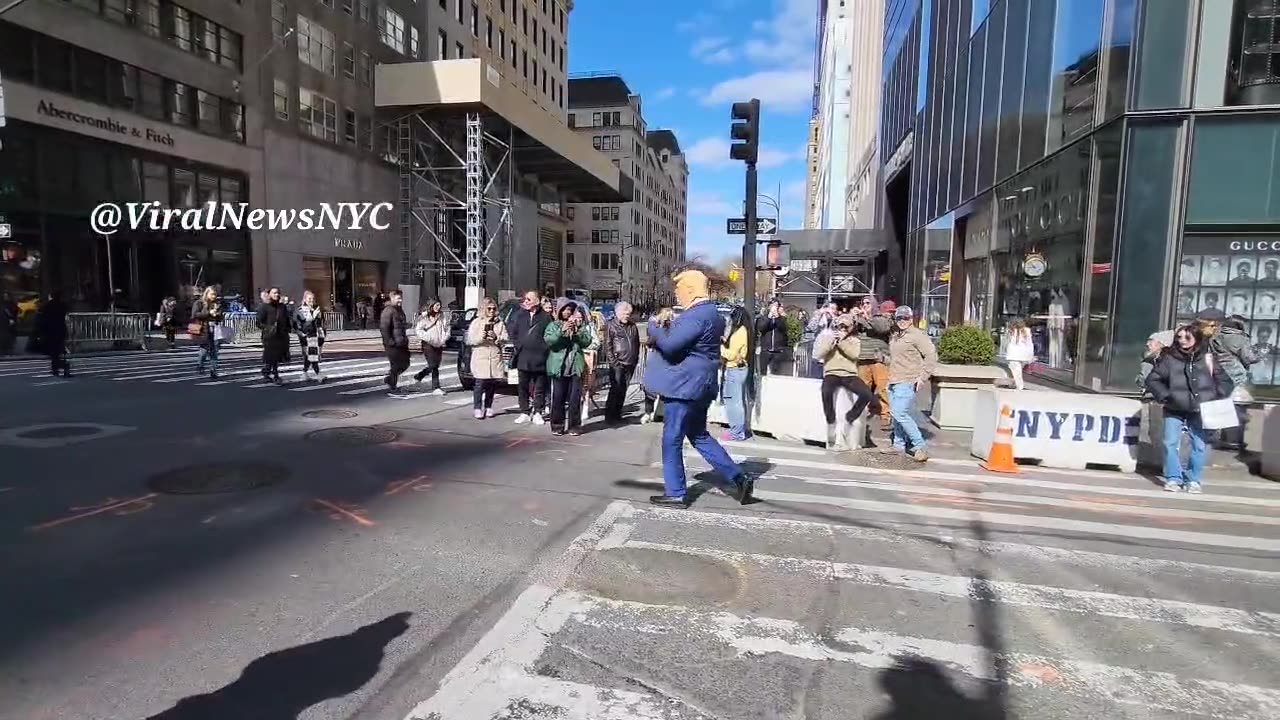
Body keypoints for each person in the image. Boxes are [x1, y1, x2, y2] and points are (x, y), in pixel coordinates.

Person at [644, 262, 753, 508]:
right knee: (699, 435)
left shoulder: (697, 314)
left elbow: (671, 346)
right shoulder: (711, 313)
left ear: (691, 289)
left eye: (679, 289)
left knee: (671, 438)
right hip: (702, 385)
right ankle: (738, 477)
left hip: (684, 386)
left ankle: (676, 492)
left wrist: (654, 326)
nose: (676, 294)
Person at [1145, 324, 1233, 494]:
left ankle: (1193, 479)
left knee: (1199, 445)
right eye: (1179, 337)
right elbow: (1152, 380)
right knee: (1170, 443)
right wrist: (1166, 395)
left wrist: (1215, 397)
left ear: (1197, 338)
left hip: (1201, 409)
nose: (1182, 341)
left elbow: (1225, 381)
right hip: (1174, 407)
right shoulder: (1169, 358)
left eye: (1187, 337)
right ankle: (1173, 478)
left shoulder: (1208, 358)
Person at [814, 314, 882, 451]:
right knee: (826, 391)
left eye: (846, 327)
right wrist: (830, 343)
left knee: (866, 394)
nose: (842, 329)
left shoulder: (854, 340)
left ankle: (850, 417)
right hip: (832, 372)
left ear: (851, 328)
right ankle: (831, 420)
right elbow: (818, 354)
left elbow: (854, 355)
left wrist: (841, 342)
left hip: (849, 374)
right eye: (840, 326)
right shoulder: (828, 337)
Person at [1197, 309, 1258, 451]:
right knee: (1238, 407)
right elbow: (1249, 357)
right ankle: (1233, 440)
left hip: (1217, 372)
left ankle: (1219, 437)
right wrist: (1258, 356)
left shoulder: (1214, 336)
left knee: (1221, 403)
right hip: (1235, 374)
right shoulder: (1241, 338)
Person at [886, 306, 937, 461]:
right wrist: (883, 359)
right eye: (899, 318)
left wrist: (923, 377)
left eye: (906, 318)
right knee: (897, 415)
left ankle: (920, 446)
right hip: (894, 380)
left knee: (899, 413)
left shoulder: (917, 336)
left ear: (911, 318)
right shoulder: (896, 336)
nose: (902, 321)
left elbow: (931, 356)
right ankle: (898, 445)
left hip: (907, 380)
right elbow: (897, 359)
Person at [545, 299, 595, 436]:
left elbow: (587, 341)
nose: (567, 312)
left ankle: (574, 426)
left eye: (570, 310)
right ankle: (557, 425)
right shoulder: (553, 325)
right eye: (565, 309)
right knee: (558, 398)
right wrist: (562, 331)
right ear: (560, 311)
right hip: (559, 367)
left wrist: (577, 331)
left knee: (574, 399)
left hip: (574, 366)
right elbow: (550, 342)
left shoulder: (579, 325)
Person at [507, 290, 552, 425]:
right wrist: (518, 344)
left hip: (540, 357)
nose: (525, 302)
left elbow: (549, 335)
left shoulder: (545, 317)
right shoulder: (520, 315)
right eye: (525, 299)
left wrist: (543, 348)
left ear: (537, 301)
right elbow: (512, 331)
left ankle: (538, 411)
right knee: (522, 386)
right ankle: (524, 411)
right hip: (523, 356)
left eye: (528, 299)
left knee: (539, 387)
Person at [854, 300, 894, 429]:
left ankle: (885, 415)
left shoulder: (883, 319)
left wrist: (868, 317)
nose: (865, 306)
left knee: (883, 389)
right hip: (863, 358)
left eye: (868, 303)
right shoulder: (859, 317)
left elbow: (882, 328)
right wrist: (852, 317)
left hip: (879, 358)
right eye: (863, 303)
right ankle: (861, 413)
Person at [467, 298, 508, 419]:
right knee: (479, 383)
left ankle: (489, 406)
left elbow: (505, 337)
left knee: (491, 383)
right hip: (481, 356)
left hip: (494, 356)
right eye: (489, 308)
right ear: (484, 309)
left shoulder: (499, 322)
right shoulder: (476, 322)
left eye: (494, 309)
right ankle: (477, 408)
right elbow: (471, 340)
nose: (491, 311)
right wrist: (482, 337)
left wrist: (496, 337)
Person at [603, 301, 641, 424]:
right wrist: (614, 362)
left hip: (630, 362)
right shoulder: (611, 325)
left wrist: (636, 358)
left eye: (629, 314)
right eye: (625, 314)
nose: (627, 316)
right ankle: (610, 416)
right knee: (615, 389)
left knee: (623, 390)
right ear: (618, 313)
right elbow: (608, 345)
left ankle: (617, 415)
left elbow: (636, 343)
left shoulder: (632, 326)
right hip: (618, 362)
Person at [719, 305, 751, 442]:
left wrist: (720, 348)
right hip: (737, 369)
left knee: (734, 401)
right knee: (734, 400)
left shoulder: (740, 332)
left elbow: (733, 354)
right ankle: (737, 430)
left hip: (735, 369)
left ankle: (737, 432)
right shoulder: (743, 331)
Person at [413, 300, 450, 394]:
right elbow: (418, 330)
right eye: (436, 305)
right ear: (431, 306)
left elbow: (447, 328)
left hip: (439, 343)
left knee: (435, 365)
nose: (438, 307)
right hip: (428, 344)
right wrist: (428, 338)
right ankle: (436, 387)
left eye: (439, 305)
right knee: (434, 366)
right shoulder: (425, 317)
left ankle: (420, 375)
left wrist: (444, 338)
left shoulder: (442, 316)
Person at [256, 287, 291, 384]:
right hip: (269, 336)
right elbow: (259, 322)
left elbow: (286, 319)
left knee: (277, 356)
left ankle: (266, 371)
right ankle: (275, 375)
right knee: (272, 356)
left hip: (281, 335)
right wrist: (268, 328)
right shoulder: (264, 307)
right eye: (274, 293)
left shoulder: (282, 307)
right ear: (269, 294)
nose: (277, 295)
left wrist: (288, 328)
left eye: (278, 293)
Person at [30, 292, 70, 377]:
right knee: (57, 351)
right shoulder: (63, 305)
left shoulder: (48, 306)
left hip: (50, 332)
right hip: (60, 330)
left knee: (53, 352)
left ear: (51, 297)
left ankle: (59, 367)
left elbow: (43, 318)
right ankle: (58, 367)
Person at [379, 289, 411, 394]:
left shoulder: (399, 310)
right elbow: (384, 328)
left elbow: (401, 326)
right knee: (396, 365)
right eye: (398, 298)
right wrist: (390, 342)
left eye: (401, 298)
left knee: (405, 363)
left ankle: (389, 379)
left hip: (401, 342)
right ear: (392, 298)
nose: (400, 300)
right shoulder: (388, 310)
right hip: (393, 344)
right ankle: (393, 385)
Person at [191, 286, 224, 379]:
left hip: (215, 330)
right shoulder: (199, 303)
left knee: (214, 351)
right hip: (203, 330)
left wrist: (218, 315)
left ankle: (213, 370)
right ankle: (200, 365)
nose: (214, 296)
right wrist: (209, 313)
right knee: (204, 350)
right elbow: (194, 315)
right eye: (212, 294)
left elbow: (221, 316)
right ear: (207, 293)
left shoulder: (217, 304)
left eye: (215, 294)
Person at [293, 290, 327, 383]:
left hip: (317, 335)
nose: (311, 300)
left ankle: (304, 373)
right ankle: (318, 374)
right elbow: (300, 326)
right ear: (304, 299)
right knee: (312, 356)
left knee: (310, 356)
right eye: (309, 299)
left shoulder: (316, 308)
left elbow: (320, 324)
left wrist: (322, 336)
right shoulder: (300, 310)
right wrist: (312, 317)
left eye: (312, 299)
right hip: (306, 336)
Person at [755, 299, 789, 376]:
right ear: (769, 307)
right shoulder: (763, 318)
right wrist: (769, 318)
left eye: (776, 306)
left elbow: (783, 329)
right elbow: (761, 328)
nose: (774, 308)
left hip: (777, 350)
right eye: (773, 306)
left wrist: (777, 317)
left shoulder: (782, 319)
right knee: (762, 373)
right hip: (765, 350)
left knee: (776, 374)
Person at [1004, 317, 1035, 390]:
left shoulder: (1011, 331)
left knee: (1016, 371)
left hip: (1014, 355)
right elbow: (1030, 343)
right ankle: (1012, 383)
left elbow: (1007, 341)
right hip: (1025, 355)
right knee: (1016, 370)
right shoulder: (1027, 330)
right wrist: (1031, 354)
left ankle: (1019, 386)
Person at [0, 291, 18, 355]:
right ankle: (5, 349)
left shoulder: (11, 304)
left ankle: (9, 350)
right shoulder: (3, 304)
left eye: (6, 296)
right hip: (4, 323)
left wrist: (12, 319)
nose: (5, 297)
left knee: (9, 336)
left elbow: (15, 312)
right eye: (4, 296)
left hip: (9, 323)